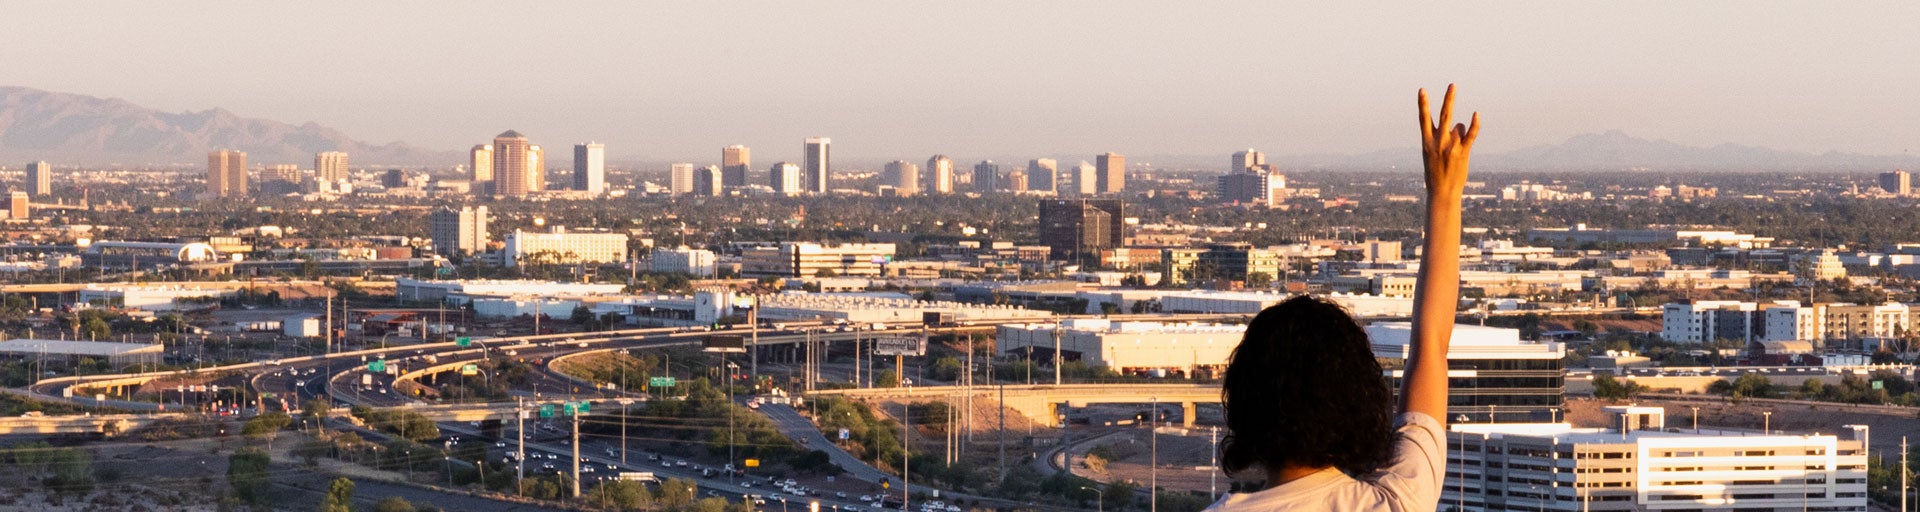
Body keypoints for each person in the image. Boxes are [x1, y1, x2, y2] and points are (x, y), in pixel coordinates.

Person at [1205, 85, 1478, 511]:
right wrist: (1444, 194)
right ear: (1360, 401)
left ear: (1243, 407)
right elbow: (1430, 348)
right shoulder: (1396, 501)